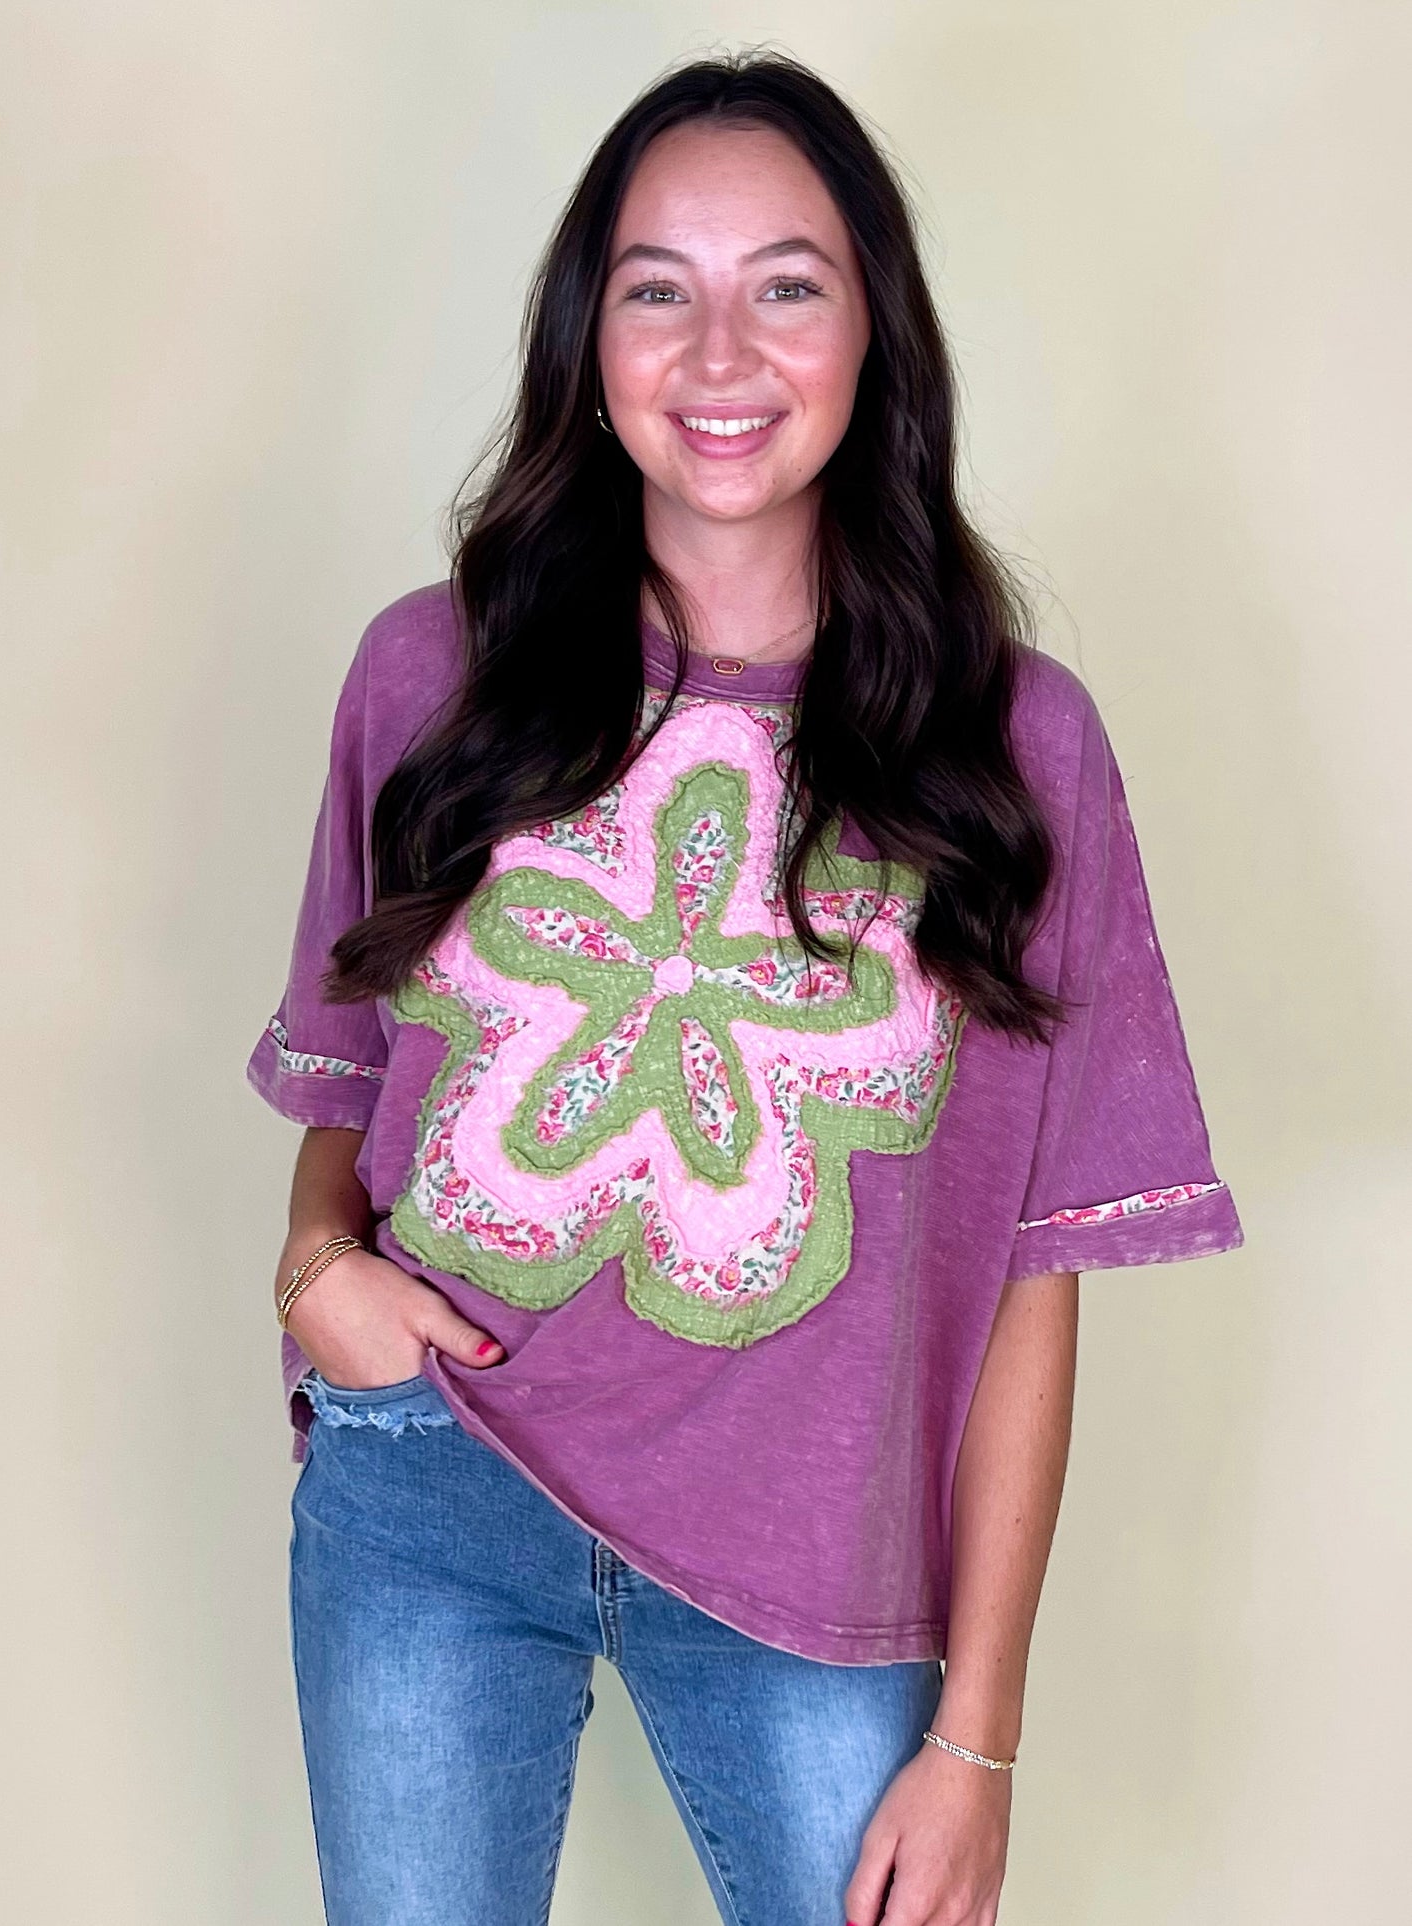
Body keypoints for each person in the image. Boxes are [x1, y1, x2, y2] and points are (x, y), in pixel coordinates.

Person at [246, 49, 1243, 1926]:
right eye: (657, 290)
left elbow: (1031, 1268)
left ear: (873, 332)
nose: (719, 354)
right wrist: (317, 1279)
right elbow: (352, 1083)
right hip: (429, 1489)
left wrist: (977, 1736)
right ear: (588, 337)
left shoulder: (1017, 746)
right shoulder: (428, 675)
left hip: (818, 1555)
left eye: (786, 285)